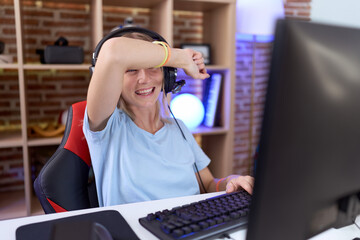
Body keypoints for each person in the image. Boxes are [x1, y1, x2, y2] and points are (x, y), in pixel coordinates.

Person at [83, 29, 254, 207]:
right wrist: (180, 57)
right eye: (131, 69)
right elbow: (113, 50)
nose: (143, 79)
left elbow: (209, 185)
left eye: (152, 67)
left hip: (187, 227)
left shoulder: (178, 128)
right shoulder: (106, 126)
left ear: (167, 75)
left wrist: (231, 182)